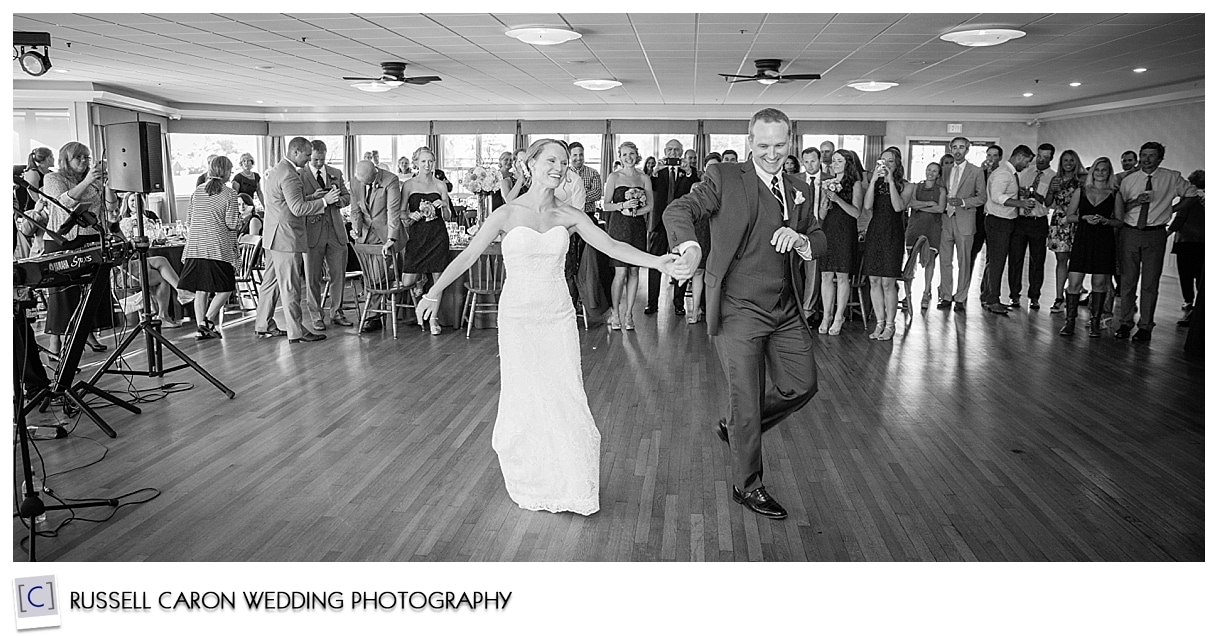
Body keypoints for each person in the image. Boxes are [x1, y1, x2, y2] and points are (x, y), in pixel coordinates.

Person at [417, 138, 686, 516]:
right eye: (551, 160)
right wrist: (434, 290)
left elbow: (613, 246)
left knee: (564, 392)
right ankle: (532, 475)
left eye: (564, 162)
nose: (559, 167)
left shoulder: (570, 215)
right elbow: (468, 254)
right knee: (526, 393)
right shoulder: (507, 213)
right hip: (518, 318)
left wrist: (658, 262)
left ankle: (571, 481)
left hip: (557, 314)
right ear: (531, 164)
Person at [666, 108, 827, 520]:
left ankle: (736, 427)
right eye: (763, 145)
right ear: (749, 141)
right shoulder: (724, 177)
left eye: (779, 145)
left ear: (790, 141)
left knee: (802, 385)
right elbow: (677, 211)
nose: (772, 154)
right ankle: (748, 486)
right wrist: (690, 247)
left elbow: (819, 234)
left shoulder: (798, 186)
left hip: (785, 308)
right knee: (748, 398)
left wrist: (804, 240)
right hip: (739, 308)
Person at [253, 136, 341, 343]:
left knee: (270, 283)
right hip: (287, 237)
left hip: (273, 235)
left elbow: (286, 202)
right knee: (290, 286)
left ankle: (262, 324)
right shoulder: (291, 175)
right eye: (308, 155)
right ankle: (296, 332)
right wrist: (324, 202)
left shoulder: (277, 170)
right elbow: (298, 209)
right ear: (295, 152)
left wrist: (314, 197)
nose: (310, 159)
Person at [1114, 142, 1199, 341]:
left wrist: (1173, 209)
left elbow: (1192, 193)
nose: (1146, 159)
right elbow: (1120, 208)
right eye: (1143, 155)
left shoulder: (1171, 177)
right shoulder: (1129, 180)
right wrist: (1136, 202)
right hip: (1130, 232)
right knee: (1127, 281)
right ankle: (1125, 322)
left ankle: (1145, 326)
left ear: (1159, 158)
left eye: (1151, 156)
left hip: (1155, 233)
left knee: (1150, 283)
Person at [39, 141, 117, 355]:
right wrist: (89, 180)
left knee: (91, 290)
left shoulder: (93, 180)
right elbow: (62, 203)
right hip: (62, 239)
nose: (84, 161)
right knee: (63, 292)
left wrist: (108, 185)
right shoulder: (53, 178)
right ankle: (55, 342)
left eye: (86, 157)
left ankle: (87, 332)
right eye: (78, 157)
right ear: (66, 160)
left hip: (91, 238)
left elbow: (111, 209)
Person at [389, 147, 452, 335]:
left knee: (438, 279)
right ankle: (420, 280)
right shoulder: (408, 185)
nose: (427, 165)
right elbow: (401, 213)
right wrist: (410, 215)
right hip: (417, 236)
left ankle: (433, 320)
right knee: (407, 280)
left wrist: (444, 206)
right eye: (423, 161)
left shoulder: (441, 185)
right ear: (416, 163)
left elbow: (448, 217)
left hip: (437, 235)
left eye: (430, 161)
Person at [180, 156, 243, 339]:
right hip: (217, 247)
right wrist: (242, 220)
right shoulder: (230, 193)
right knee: (226, 287)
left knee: (202, 289)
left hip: (195, 246)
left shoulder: (197, 191)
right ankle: (207, 321)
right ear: (225, 173)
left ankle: (202, 328)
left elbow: (189, 220)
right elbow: (231, 223)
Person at [1061, 157, 1123, 337]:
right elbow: (1069, 216)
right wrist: (1083, 218)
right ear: (1092, 172)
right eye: (1097, 170)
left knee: (1100, 283)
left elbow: (1119, 221)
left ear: (1109, 172)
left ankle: (1095, 322)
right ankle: (1070, 322)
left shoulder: (1114, 193)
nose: (1100, 173)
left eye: (1104, 170)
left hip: (1104, 240)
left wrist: (1106, 221)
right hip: (1083, 237)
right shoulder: (1081, 191)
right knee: (1074, 282)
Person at [861, 146, 914, 340]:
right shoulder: (874, 183)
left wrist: (890, 181)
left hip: (893, 234)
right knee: (874, 280)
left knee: (888, 282)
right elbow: (867, 206)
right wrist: (874, 179)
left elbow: (898, 206)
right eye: (883, 161)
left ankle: (891, 324)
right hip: (875, 232)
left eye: (890, 161)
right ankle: (879, 322)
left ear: (897, 163)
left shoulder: (907, 185)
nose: (886, 164)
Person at [299, 140, 352, 330]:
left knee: (339, 275)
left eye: (322, 159)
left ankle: (337, 312)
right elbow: (296, 203)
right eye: (315, 159)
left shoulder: (335, 173)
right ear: (309, 156)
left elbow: (348, 197)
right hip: (312, 232)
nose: (319, 163)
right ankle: (316, 315)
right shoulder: (300, 175)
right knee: (312, 277)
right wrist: (316, 198)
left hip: (336, 231)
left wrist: (338, 200)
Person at [602, 141, 653, 331]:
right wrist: (622, 207)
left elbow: (650, 206)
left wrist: (636, 212)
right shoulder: (614, 176)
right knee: (620, 271)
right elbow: (606, 204)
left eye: (631, 154)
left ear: (636, 155)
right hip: (618, 226)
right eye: (624, 154)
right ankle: (615, 312)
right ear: (620, 157)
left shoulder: (644, 178)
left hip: (637, 227)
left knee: (634, 271)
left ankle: (629, 314)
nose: (628, 157)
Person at [114, 192, 183, 327]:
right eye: (132, 200)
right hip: (127, 270)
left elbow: (157, 233)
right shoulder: (122, 223)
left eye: (138, 200)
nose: (135, 203)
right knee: (162, 263)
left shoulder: (149, 216)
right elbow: (127, 247)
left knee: (163, 276)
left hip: (141, 263)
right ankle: (179, 293)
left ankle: (164, 315)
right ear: (126, 203)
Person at [982, 145, 1035, 314]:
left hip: (1002, 221)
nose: (1026, 165)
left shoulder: (1007, 173)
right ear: (1019, 157)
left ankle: (988, 296)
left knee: (995, 261)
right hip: (999, 221)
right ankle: (992, 300)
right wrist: (1020, 203)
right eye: (1026, 161)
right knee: (997, 262)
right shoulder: (1004, 173)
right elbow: (997, 196)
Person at [647, 139, 697, 317]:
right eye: (670, 150)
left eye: (677, 150)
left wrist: (689, 172)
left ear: (681, 152)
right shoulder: (656, 172)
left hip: (679, 224)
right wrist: (654, 172)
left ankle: (679, 303)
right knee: (655, 263)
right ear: (665, 151)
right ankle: (652, 303)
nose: (673, 153)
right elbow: (648, 189)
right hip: (659, 224)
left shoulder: (690, 173)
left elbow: (696, 188)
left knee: (680, 262)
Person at [818, 149, 864, 335]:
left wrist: (837, 199)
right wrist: (824, 202)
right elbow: (821, 215)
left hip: (846, 231)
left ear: (847, 163)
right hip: (829, 230)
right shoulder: (827, 182)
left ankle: (839, 316)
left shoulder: (855, 183)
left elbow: (856, 212)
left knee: (842, 276)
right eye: (833, 161)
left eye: (839, 161)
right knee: (826, 275)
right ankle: (826, 315)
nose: (834, 164)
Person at [939, 137, 987, 311]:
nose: (958, 151)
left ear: (967, 150)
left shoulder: (976, 171)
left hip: (965, 219)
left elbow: (982, 197)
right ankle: (945, 296)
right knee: (945, 260)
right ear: (950, 149)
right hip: (946, 219)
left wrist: (964, 202)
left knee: (964, 261)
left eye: (961, 147)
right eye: (955, 147)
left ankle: (960, 297)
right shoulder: (944, 170)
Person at [1046, 150, 1086, 313]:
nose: (1068, 163)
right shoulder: (1056, 179)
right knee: (1061, 259)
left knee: (1077, 260)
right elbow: (1048, 203)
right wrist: (1051, 190)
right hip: (1060, 221)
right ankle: (1059, 297)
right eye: (1065, 160)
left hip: (1078, 220)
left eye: (1071, 160)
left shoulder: (1083, 180)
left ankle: (1073, 292)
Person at [906, 162, 947, 309]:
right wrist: (930, 203)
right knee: (910, 261)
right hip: (915, 226)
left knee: (930, 261)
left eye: (934, 171)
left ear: (938, 174)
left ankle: (926, 291)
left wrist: (921, 205)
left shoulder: (941, 190)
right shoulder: (917, 186)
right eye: (929, 170)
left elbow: (940, 208)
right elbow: (911, 204)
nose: (931, 173)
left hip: (933, 227)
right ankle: (908, 292)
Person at [1169, 170, 1203, 326]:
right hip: (1204, 242)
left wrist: (1167, 233)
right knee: (1200, 276)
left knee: (1186, 274)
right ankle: (1200, 305)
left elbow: (1180, 217)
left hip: (1186, 241)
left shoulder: (1189, 197)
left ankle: (1189, 301)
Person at [16, 147, 56, 258]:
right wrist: (44, 209)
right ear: (47, 158)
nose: (54, 159)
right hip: (34, 210)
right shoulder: (33, 173)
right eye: (52, 156)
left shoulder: (50, 173)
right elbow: (35, 196)